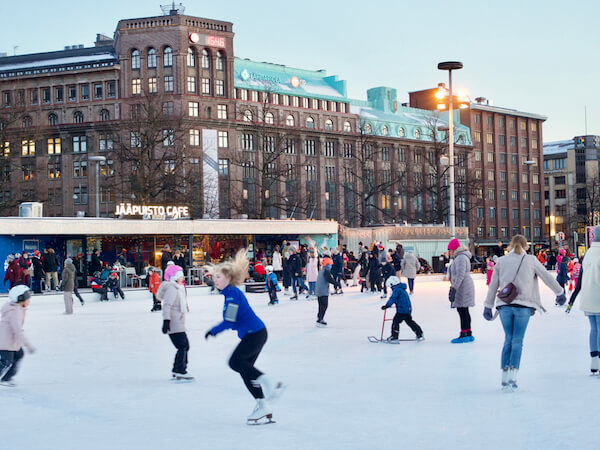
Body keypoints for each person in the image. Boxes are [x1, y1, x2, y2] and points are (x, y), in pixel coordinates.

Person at [204, 249, 284, 424]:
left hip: (254, 334)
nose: (214, 280)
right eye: (214, 277)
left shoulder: (232, 295)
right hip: (255, 333)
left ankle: (270, 383)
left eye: (218, 277)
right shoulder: (230, 294)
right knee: (245, 370)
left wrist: (214, 331)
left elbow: (230, 320)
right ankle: (263, 405)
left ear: (229, 279)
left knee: (235, 363)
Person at [484, 235, 566, 390]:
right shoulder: (531, 260)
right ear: (525, 246)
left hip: (505, 306)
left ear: (511, 245)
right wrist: (559, 292)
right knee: (517, 341)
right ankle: (513, 376)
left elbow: (493, 285)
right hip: (523, 305)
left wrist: (488, 305)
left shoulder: (501, 261)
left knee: (508, 339)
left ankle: (504, 376)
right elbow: (547, 277)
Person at [567, 226, 600, 374]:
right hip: (598, 296)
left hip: (588, 296)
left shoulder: (589, 253)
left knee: (594, 329)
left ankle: (594, 361)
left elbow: (582, 277)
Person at [157, 267, 193, 381]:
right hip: (174, 323)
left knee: (183, 346)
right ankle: (180, 370)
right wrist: (166, 321)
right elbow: (167, 305)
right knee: (183, 346)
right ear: (175, 277)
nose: (183, 278)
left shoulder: (178, 288)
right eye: (181, 275)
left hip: (177, 322)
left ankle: (177, 370)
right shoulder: (172, 289)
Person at [0, 285, 35, 387]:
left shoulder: (17, 308)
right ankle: (6, 377)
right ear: (20, 298)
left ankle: (7, 378)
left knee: (19, 355)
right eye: (28, 298)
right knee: (6, 361)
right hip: (5, 341)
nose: (29, 300)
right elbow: (18, 330)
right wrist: (28, 345)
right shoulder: (15, 312)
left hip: (11, 341)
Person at [447, 239, 475, 344]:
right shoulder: (460, 257)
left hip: (462, 287)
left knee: (462, 310)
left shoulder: (461, 258)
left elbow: (460, 274)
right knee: (464, 310)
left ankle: (464, 334)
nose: (449, 252)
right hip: (463, 286)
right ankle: (468, 333)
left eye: (450, 249)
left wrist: (454, 288)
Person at [380, 276, 424, 342]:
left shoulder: (397, 290)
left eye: (390, 286)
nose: (390, 288)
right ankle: (419, 333)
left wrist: (387, 305)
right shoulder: (401, 289)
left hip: (402, 310)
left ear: (392, 284)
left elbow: (393, 298)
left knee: (396, 321)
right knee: (409, 322)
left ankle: (394, 337)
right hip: (407, 309)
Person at [315, 258, 336, 327]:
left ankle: (319, 318)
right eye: (330, 265)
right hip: (323, 291)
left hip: (319, 291)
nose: (331, 266)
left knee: (321, 305)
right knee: (324, 305)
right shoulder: (326, 271)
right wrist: (336, 283)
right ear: (327, 265)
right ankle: (320, 319)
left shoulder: (321, 271)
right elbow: (329, 279)